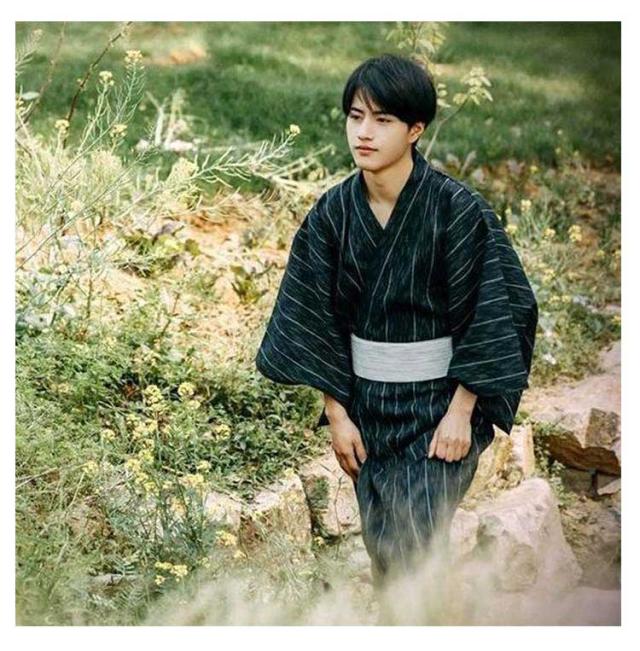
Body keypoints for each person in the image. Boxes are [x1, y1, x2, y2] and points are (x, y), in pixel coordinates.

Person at [255, 53, 538, 589]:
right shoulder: (333, 213)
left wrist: (462, 413)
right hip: (367, 408)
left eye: (382, 120)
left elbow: (497, 308)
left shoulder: (457, 210)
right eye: (355, 116)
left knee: (415, 543)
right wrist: (337, 413)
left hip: (441, 407)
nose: (364, 133)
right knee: (386, 549)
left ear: (415, 130)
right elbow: (314, 316)